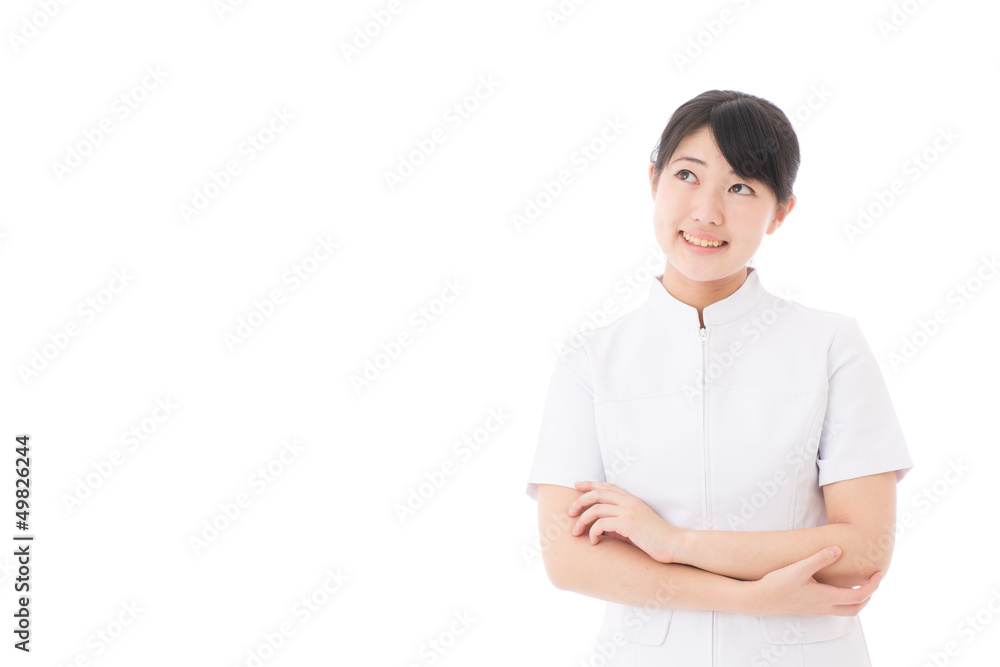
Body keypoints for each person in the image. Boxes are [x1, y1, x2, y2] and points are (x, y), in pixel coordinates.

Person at [525, 89, 914, 666]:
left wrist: (674, 543)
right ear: (653, 179)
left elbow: (862, 548)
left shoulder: (830, 344)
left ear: (781, 211)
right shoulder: (591, 360)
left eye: (740, 188)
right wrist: (748, 597)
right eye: (687, 174)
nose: (706, 211)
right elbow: (569, 559)